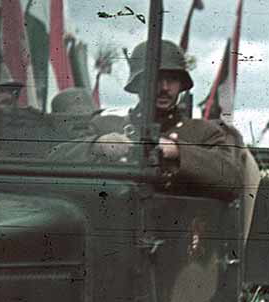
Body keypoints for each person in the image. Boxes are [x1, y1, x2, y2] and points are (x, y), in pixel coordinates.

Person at [89, 40, 244, 200]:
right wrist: (97, 145)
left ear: (181, 85)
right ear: (137, 84)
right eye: (156, 79)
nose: (164, 88)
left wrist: (178, 151)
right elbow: (63, 155)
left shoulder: (204, 133)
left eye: (172, 79)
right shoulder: (105, 126)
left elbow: (233, 180)